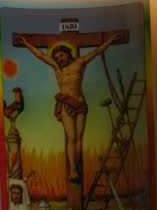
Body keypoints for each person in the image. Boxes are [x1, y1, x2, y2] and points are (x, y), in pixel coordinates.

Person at [16, 33, 120, 183]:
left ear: (67, 53)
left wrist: (110, 40)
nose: (59, 59)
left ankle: (75, 168)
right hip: (66, 104)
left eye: (61, 55)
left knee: (79, 138)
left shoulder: (80, 63)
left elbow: (97, 52)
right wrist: (26, 44)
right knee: (71, 137)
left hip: (80, 104)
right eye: (57, 57)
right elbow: (41, 56)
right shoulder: (58, 69)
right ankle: (72, 170)